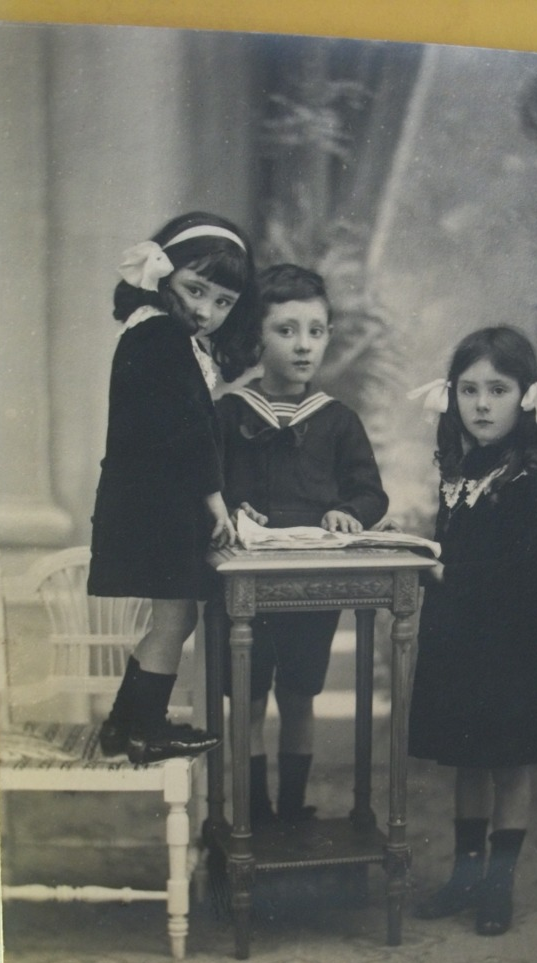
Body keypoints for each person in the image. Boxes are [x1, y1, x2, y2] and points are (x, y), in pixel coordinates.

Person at [216, 264, 389, 824]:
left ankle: (292, 808)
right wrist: (228, 513)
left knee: (299, 694)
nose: (303, 345)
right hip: (246, 579)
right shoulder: (229, 414)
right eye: (286, 330)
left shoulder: (338, 421)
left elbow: (370, 492)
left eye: (315, 331)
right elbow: (208, 485)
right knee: (247, 697)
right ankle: (254, 811)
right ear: (257, 337)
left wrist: (348, 512)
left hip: (312, 581)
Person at [87, 211, 260, 765]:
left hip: (150, 500)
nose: (205, 310)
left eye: (222, 302)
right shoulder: (161, 332)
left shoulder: (156, 332)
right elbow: (185, 428)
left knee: (175, 618)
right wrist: (214, 499)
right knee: (176, 618)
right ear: (162, 275)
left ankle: (123, 729)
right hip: (157, 504)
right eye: (194, 289)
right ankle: (145, 730)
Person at [407, 325, 537, 934]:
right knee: (468, 762)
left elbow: (517, 579)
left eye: (497, 390)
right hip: (460, 644)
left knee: (508, 764)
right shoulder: (461, 474)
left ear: (525, 397)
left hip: (511, 648)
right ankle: (466, 874)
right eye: (469, 390)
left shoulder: (530, 484)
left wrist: (442, 570)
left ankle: (499, 882)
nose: (481, 404)